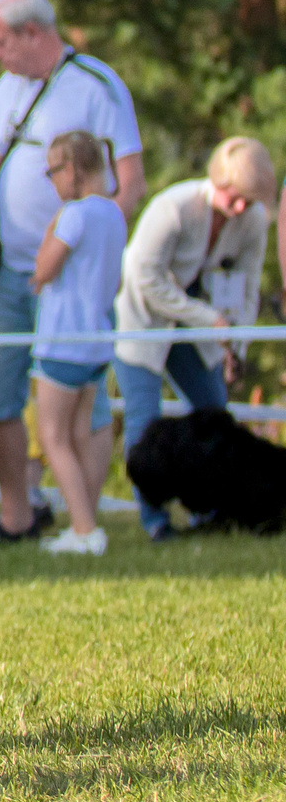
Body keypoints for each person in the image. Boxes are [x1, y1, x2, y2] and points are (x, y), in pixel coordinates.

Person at [0, 0, 143, 545]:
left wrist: (91, 259)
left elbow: (130, 186)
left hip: (70, 287)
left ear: (33, 32)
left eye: (1, 42)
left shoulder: (99, 86)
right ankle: (18, 517)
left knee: (86, 411)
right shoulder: (8, 90)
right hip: (14, 273)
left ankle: (83, 521)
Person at [113, 137, 274, 540]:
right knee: (144, 420)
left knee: (215, 411)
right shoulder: (174, 208)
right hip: (144, 322)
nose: (240, 209)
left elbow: (248, 286)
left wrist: (237, 345)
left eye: (249, 201)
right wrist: (209, 319)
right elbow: (144, 278)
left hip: (200, 331)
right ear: (216, 179)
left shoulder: (252, 222)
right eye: (234, 197)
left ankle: (214, 511)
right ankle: (156, 523)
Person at [29, 131, 127, 555]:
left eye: (53, 171)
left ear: (72, 169)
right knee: (82, 433)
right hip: (95, 340)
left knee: (54, 436)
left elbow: (43, 270)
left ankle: (85, 530)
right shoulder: (114, 214)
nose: (52, 181)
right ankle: (86, 522)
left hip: (61, 339)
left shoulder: (75, 214)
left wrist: (52, 226)